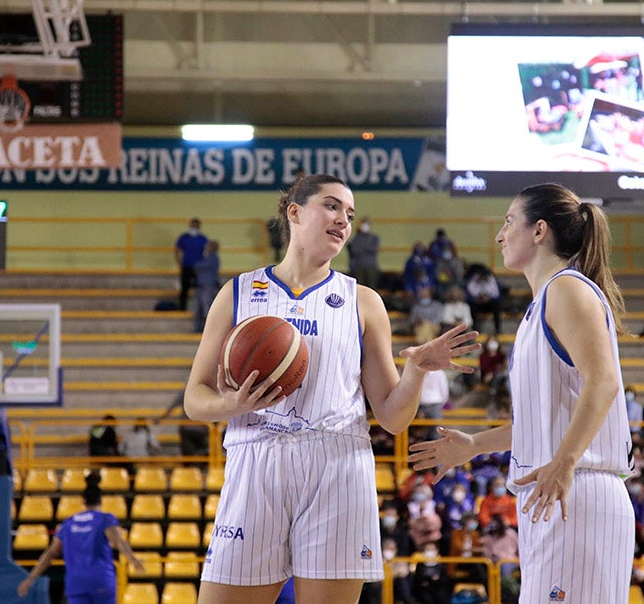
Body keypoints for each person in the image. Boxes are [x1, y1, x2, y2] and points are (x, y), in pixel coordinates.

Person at [183, 173, 479, 603]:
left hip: (337, 465)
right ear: (295, 212)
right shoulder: (238, 293)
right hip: (256, 457)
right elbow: (195, 399)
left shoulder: (363, 301)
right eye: (332, 206)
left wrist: (415, 371)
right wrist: (231, 402)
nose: (344, 219)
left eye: (350, 213)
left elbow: (394, 419)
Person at [408, 183, 635, 602]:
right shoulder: (542, 303)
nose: (499, 235)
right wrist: (476, 444)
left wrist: (565, 461)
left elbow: (603, 382)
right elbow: (543, 417)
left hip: (576, 489)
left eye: (508, 221)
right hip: (554, 491)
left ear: (539, 230)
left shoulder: (567, 289)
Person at [18, 474, 144, 601]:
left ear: (83, 501)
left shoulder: (68, 524)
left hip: (76, 583)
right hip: (101, 580)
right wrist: (132, 558)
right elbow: (118, 541)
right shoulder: (105, 519)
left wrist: (30, 579)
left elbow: (51, 553)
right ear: (101, 501)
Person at [175, 217, 208, 311]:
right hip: (186, 267)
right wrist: (180, 263)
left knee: (200, 289)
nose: (194, 227)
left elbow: (207, 252)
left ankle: (199, 309)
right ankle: (182, 309)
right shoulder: (184, 238)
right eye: (193, 225)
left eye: (196, 225)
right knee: (184, 289)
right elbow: (177, 251)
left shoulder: (203, 238)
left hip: (199, 269)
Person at [464, 264, 506, 335]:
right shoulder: (474, 279)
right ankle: (475, 329)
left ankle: (497, 329)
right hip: (478, 302)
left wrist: (488, 297)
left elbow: (495, 293)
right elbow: (471, 291)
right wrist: (479, 297)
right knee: (472, 307)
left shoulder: (491, 279)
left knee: (496, 306)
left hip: (489, 302)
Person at [192, 240, 221, 333]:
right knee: (198, 309)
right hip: (201, 286)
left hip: (208, 286)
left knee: (207, 309)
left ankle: (209, 331)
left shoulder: (213, 258)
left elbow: (199, 266)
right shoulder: (206, 257)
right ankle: (198, 329)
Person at [347, 216, 381, 289]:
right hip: (358, 266)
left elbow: (374, 249)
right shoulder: (356, 237)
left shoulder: (374, 238)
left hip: (371, 266)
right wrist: (366, 249)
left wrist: (361, 248)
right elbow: (354, 250)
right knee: (359, 288)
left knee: (372, 288)